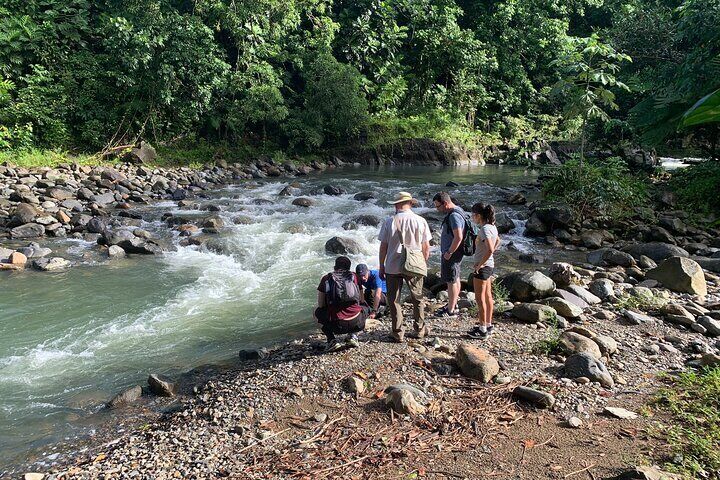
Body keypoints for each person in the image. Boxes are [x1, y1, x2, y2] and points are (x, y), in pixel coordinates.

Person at [378, 191, 431, 342]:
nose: (394, 206)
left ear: (398, 204)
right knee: (417, 298)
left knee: (394, 300)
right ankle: (419, 330)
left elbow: (383, 247)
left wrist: (381, 265)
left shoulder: (389, 221)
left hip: (393, 266)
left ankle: (398, 333)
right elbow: (426, 247)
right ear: (410, 203)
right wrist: (423, 263)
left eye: (395, 204)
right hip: (414, 265)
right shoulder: (420, 221)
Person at [314, 256, 371, 351]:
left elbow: (321, 304)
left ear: (335, 267)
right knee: (364, 305)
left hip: (337, 325)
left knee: (316, 311)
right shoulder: (355, 276)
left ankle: (332, 340)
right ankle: (353, 336)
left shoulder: (326, 278)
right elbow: (361, 299)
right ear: (349, 267)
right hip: (357, 323)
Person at [467, 203, 500, 339]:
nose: (472, 218)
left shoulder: (485, 229)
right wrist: (488, 258)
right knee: (488, 297)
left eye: (473, 215)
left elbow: (490, 249)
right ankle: (488, 325)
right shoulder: (492, 227)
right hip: (490, 266)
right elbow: (498, 240)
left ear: (479, 215)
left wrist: (479, 265)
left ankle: (482, 330)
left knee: (480, 299)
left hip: (483, 267)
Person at [432, 192, 466, 318]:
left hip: (452, 253)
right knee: (455, 278)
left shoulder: (454, 216)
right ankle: (453, 304)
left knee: (451, 281)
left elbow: (458, 237)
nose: (437, 209)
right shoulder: (458, 210)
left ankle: (451, 310)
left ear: (445, 203)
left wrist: (449, 252)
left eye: (438, 206)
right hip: (455, 252)